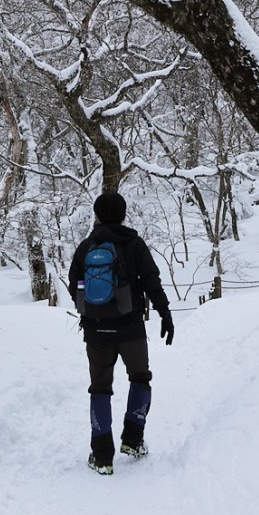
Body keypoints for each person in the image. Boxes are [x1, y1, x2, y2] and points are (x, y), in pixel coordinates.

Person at [69, 191, 174, 476]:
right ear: (124, 214)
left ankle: (102, 456)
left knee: (100, 387)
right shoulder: (134, 244)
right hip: (131, 328)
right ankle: (133, 440)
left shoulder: (85, 247)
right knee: (140, 377)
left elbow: (73, 285)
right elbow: (152, 280)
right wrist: (165, 313)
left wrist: (93, 312)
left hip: (96, 331)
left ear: (97, 215)